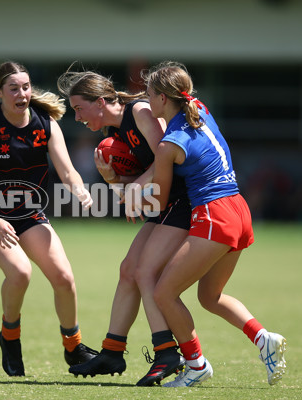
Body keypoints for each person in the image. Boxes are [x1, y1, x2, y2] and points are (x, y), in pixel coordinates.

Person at [138, 60, 287, 387]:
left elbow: (159, 203)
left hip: (213, 216)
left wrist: (118, 186)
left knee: (164, 292)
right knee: (210, 296)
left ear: (164, 98)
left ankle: (196, 364)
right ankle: (264, 339)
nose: (146, 101)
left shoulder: (168, 145)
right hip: (239, 210)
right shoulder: (200, 108)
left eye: (149, 94)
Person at [0, 61, 99, 377]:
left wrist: (79, 190)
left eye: (26, 87)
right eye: (14, 88)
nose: (22, 93)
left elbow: (67, 170)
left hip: (29, 215)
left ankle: (74, 348)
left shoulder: (45, 124)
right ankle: (10, 338)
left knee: (64, 278)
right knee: (20, 272)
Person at [57, 69, 191, 386]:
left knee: (144, 272)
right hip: (164, 205)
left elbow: (166, 160)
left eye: (78, 108)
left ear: (101, 101)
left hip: (185, 202)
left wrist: (132, 191)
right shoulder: (116, 136)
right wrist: (113, 179)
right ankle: (112, 351)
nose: (76, 117)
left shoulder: (141, 112)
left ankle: (167, 352)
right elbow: (133, 195)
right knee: (128, 269)